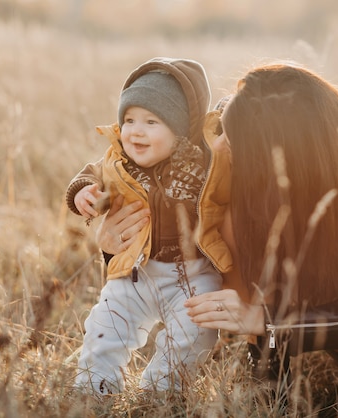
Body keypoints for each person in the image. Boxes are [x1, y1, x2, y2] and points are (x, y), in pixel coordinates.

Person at [98, 62, 338, 416]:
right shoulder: (243, 120)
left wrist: (262, 319)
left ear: (275, 152)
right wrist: (116, 246)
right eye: (221, 131)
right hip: (285, 267)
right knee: (224, 220)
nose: (217, 144)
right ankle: (269, 364)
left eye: (230, 137)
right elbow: (170, 220)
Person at [66, 57, 234, 395]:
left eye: (151, 121)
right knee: (104, 325)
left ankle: (162, 390)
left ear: (182, 128)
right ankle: (95, 388)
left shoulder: (202, 161)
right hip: (135, 272)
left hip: (193, 274)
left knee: (195, 331)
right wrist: (83, 193)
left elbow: (227, 151)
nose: (135, 131)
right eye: (128, 120)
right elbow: (90, 175)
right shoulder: (117, 161)